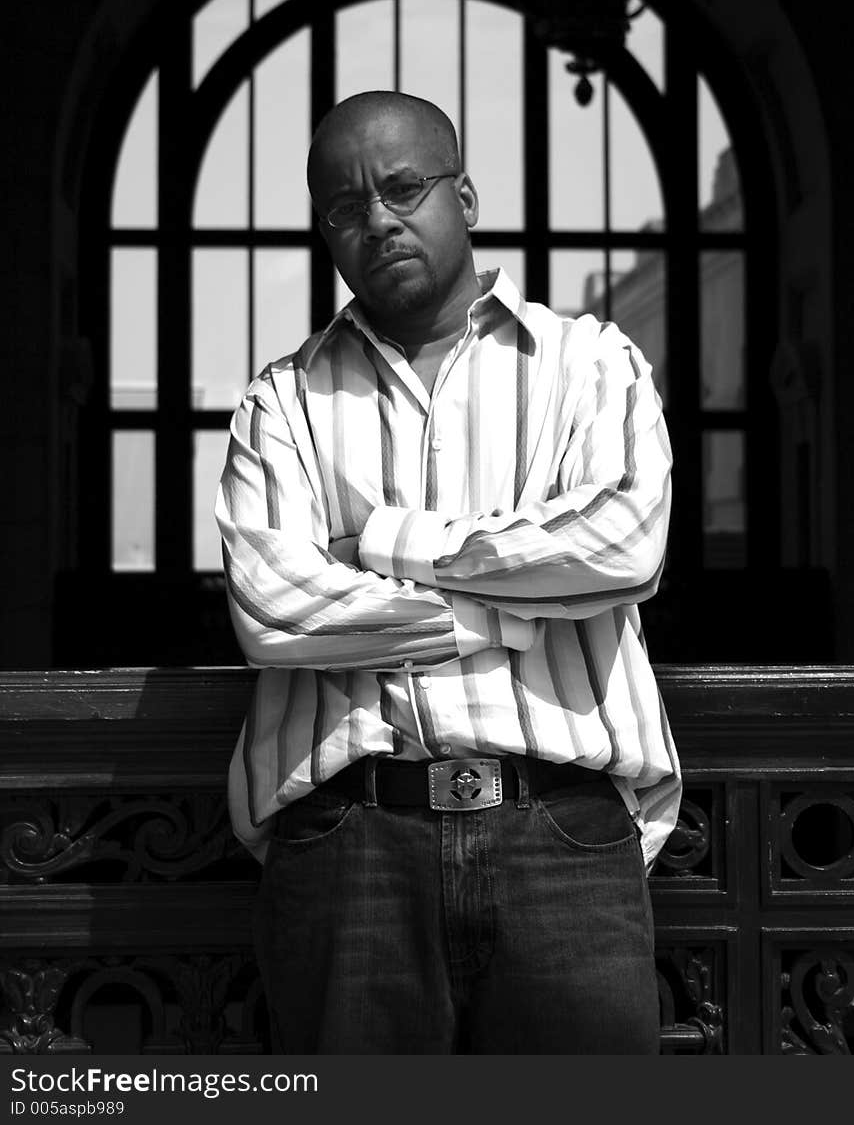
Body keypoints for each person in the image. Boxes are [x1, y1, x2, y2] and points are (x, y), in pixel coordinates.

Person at [215, 89, 681, 1055]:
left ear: (463, 196)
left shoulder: (591, 364)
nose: (376, 219)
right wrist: (527, 607)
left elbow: (625, 543)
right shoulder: (282, 401)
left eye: (403, 187)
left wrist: (381, 544)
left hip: (563, 836)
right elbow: (272, 609)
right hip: (350, 845)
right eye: (344, 209)